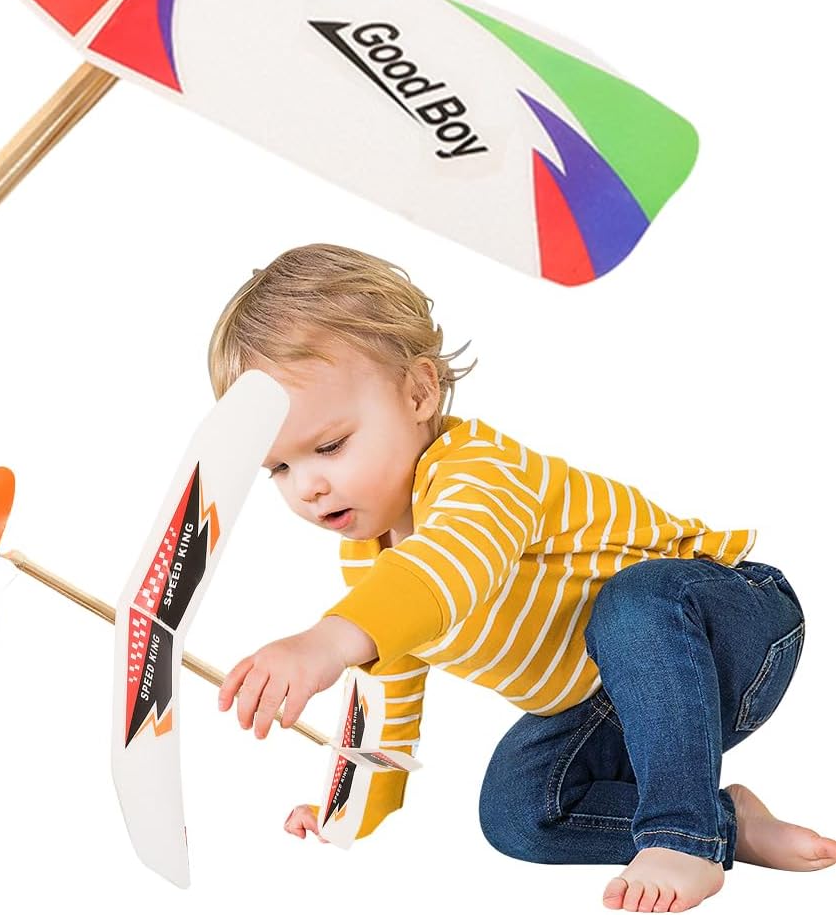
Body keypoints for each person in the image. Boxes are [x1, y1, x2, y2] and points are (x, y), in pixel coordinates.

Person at [210, 244, 835, 911]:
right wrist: (346, 810)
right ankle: (721, 825)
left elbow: (449, 565)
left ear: (418, 392)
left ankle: (678, 836)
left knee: (632, 602)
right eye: (279, 468)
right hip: (618, 706)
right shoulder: (373, 573)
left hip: (727, 632)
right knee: (517, 809)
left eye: (330, 445)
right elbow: (387, 705)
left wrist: (323, 641)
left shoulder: (477, 471)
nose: (307, 485)